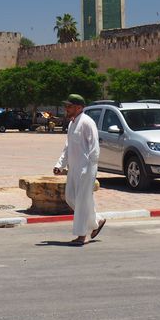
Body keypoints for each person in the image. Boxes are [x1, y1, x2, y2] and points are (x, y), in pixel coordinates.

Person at [53, 94, 106, 245]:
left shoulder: (87, 122)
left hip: (86, 168)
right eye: (66, 106)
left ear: (79, 107)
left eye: (69, 106)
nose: (66, 109)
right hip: (74, 168)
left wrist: (89, 168)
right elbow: (67, 148)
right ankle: (97, 221)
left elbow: (94, 146)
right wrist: (59, 165)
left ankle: (82, 235)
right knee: (70, 197)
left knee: (82, 201)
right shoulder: (72, 124)